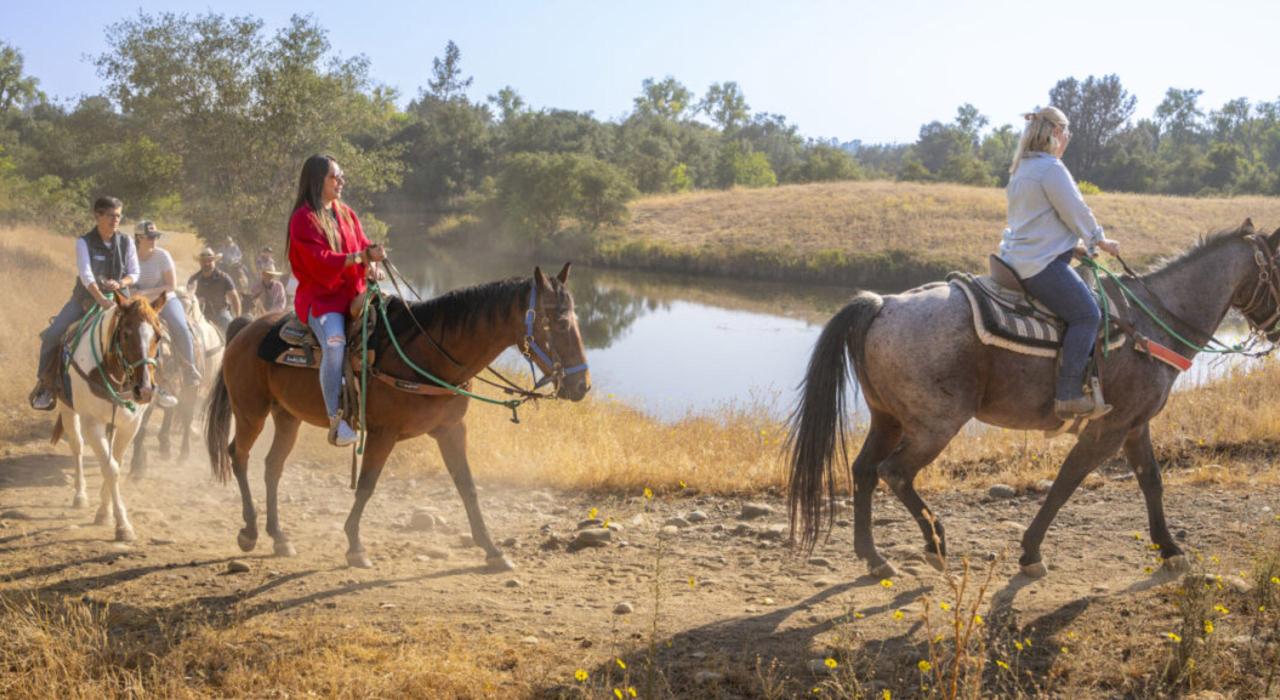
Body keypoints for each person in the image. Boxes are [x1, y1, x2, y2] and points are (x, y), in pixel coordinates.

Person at [998, 106, 1122, 420]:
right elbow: (1076, 210)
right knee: (1087, 314)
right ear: (1055, 133)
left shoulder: (1022, 167)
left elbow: (1039, 220)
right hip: (1039, 264)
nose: (1067, 138)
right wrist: (1099, 240)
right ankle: (1067, 394)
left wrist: (1074, 247)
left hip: (1017, 257)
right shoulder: (1051, 169)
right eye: (1065, 132)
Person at [288, 154, 385, 447]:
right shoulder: (303, 219)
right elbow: (320, 261)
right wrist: (359, 258)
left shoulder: (346, 213)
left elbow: (362, 244)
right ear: (319, 180)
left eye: (340, 176)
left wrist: (373, 261)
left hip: (354, 293)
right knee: (335, 343)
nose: (341, 181)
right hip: (322, 299)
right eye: (335, 176)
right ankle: (336, 420)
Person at [29, 196, 139, 410]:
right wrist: (101, 300)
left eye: (118, 216)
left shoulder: (126, 242)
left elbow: (134, 272)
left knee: (149, 331)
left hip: (120, 301)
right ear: (97, 216)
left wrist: (120, 283)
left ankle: (153, 383)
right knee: (54, 334)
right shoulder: (84, 242)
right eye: (111, 216)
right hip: (85, 300)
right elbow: (86, 275)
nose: (115, 220)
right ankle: (46, 385)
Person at [132, 220, 201, 386]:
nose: (154, 240)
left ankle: (189, 369)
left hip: (165, 300)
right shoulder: (130, 256)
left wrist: (144, 293)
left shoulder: (162, 256)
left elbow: (171, 285)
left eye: (156, 236)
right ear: (139, 238)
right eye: (150, 237)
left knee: (180, 325)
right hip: (139, 304)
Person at [188, 248, 241, 332]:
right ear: (200, 262)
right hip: (198, 315)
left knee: (231, 330)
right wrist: (197, 301)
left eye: (209, 260)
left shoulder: (224, 277)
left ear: (214, 261)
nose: (206, 263)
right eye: (203, 261)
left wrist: (238, 317)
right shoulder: (194, 279)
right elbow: (188, 299)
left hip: (220, 314)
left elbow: (234, 298)